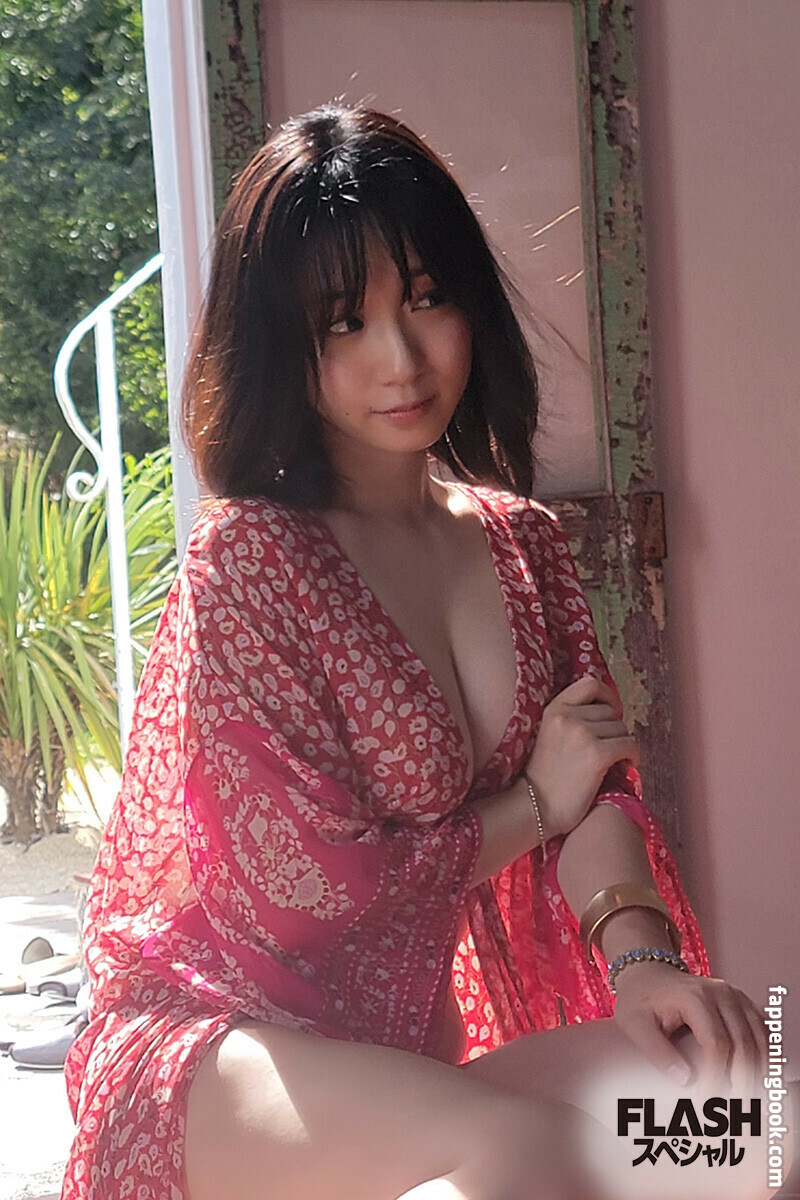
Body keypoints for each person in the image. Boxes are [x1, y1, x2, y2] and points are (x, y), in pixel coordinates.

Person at [62, 104, 774, 1200]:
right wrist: (529, 805)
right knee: (519, 1151)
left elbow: (595, 792)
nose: (399, 359)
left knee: (744, 1114)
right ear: (281, 343)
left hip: (405, 1056)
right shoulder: (250, 561)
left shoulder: (522, 545)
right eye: (344, 322)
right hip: (223, 1040)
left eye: (427, 299)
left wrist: (643, 965)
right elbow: (310, 885)